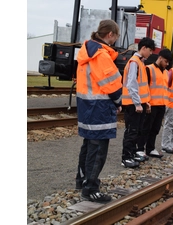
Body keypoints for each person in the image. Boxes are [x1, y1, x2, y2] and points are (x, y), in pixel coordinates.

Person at [75, 19, 122, 203]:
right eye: (115, 36)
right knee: (98, 149)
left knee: (88, 145)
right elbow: (111, 83)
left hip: (87, 106)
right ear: (110, 34)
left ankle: (82, 180)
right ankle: (90, 188)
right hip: (100, 107)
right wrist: (119, 102)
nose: (115, 40)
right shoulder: (101, 55)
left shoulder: (86, 51)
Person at [121, 37, 156, 168]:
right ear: (144, 48)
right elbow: (131, 85)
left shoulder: (140, 63)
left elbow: (141, 86)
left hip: (137, 103)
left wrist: (144, 102)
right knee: (131, 130)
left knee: (137, 130)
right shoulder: (134, 62)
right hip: (132, 104)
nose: (151, 53)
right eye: (150, 50)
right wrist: (137, 103)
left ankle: (133, 153)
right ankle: (126, 157)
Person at [137, 48, 173, 158]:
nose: (167, 64)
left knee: (155, 128)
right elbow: (144, 87)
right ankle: (139, 148)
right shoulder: (149, 69)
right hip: (151, 104)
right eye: (165, 61)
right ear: (160, 58)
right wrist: (146, 102)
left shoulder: (166, 72)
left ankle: (150, 148)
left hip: (161, 104)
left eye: (168, 62)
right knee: (146, 127)